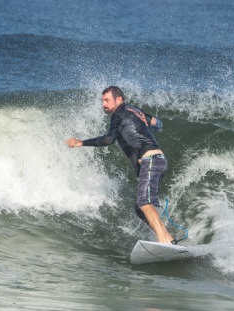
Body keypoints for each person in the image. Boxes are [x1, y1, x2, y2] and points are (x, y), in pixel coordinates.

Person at [66, 86, 177, 244]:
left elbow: (108, 140)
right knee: (140, 209)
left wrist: (81, 143)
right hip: (159, 160)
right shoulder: (134, 110)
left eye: (107, 100)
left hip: (150, 161)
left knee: (144, 203)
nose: (103, 104)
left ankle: (165, 241)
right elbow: (158, 123)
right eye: (102, 101)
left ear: (119, 99)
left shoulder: (117, 114)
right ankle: (168, 238)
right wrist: (147, 131)